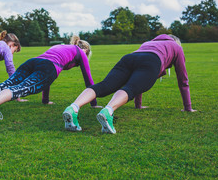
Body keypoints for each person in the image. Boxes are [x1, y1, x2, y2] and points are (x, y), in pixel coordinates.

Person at [62, 34, 197, 134]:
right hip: (152, 60)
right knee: (130, 88)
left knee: (103, 86)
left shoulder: (148, 43)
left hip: (129, 58)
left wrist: (138, 105)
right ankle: (108, 111)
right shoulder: (176, 47)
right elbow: (183, 81)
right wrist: (187, 107)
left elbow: (138, 77)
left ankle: (73, 107)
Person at [0, 35, 97, 126]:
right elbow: (88, 79)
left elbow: (47, 76)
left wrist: (45, 100)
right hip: (48, 68)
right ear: (86, 50)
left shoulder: (60, 47)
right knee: (22, 88)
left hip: (32, 62)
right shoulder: (81, 53)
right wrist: (93, 103)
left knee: (5, 84)